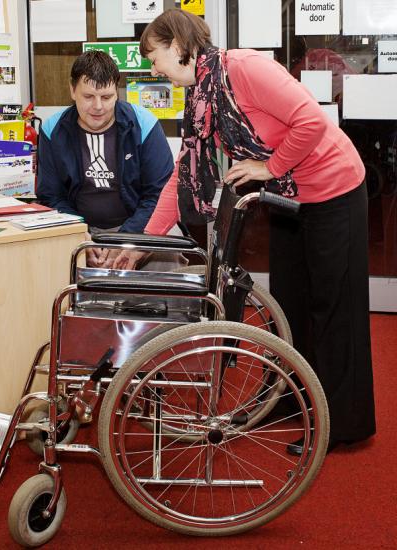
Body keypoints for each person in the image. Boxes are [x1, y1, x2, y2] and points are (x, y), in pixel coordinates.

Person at [112, 9, 376, 454]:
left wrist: (268, 166)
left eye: (154, 56)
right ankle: (288, 400)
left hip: (334, 187)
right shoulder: (201, 96)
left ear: (178, 46)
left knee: (332, 306)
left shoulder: (243, 69)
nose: (152, 67)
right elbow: (183, 175)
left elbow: (310, 121)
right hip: (289, 195)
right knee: (288, 307)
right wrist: (145, 243)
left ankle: (340, 422)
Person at [36, 49, 181, 270]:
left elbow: (159, 194)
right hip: (81, 228)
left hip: (138, 223)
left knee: (167, 254)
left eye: (106, 97)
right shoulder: (52, 129)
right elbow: (51, 196)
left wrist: (126, 238)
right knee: (49, 263)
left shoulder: (144, 123)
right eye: (88, 97)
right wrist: (77, 232)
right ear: (72, 90)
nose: (98, 106)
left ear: (117, 93)